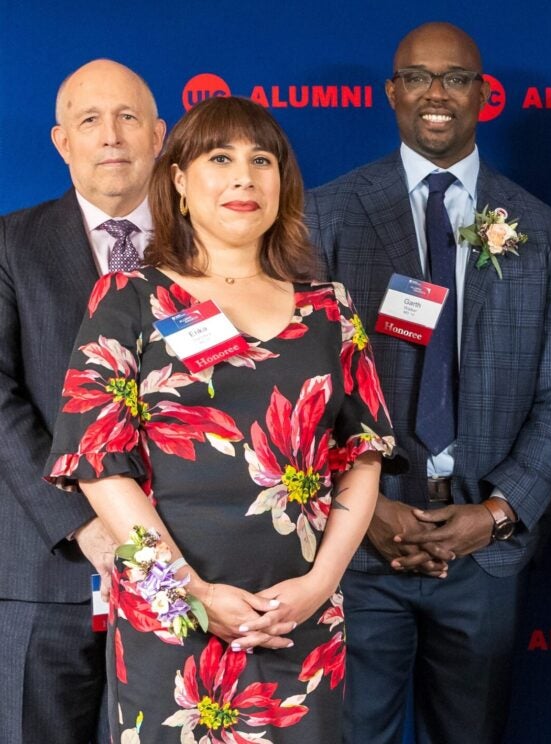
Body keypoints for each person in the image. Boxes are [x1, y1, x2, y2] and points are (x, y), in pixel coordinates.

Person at [44, 95, 397, 743]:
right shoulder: (131, 299)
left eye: (261, 160)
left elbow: (362, 459)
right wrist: (193, 591)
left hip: (300, 621)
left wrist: (319, 585)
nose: (243, 177)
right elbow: (100, 467)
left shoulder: (330, 310)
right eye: (220, 158)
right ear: (178, 181)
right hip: (174, 622)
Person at [305, 22, 551, 744]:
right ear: (392, 91)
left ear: (483, 95)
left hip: (484, 551)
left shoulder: (544, 230)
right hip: (358, 546)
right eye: (419, 77)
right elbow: (303, 387)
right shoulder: (326, 214)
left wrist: (498, 513)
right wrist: (363, 514)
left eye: (456, 78)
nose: (437, 94)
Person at [0, 58, 165, 743]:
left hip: (185, 567)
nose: (111, 136)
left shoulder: (214, 244)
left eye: (128, 117)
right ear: (61, 142)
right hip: (52, 567)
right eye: (89, 121)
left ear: (159, 135)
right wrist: (84, 522)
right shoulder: (10, 244)